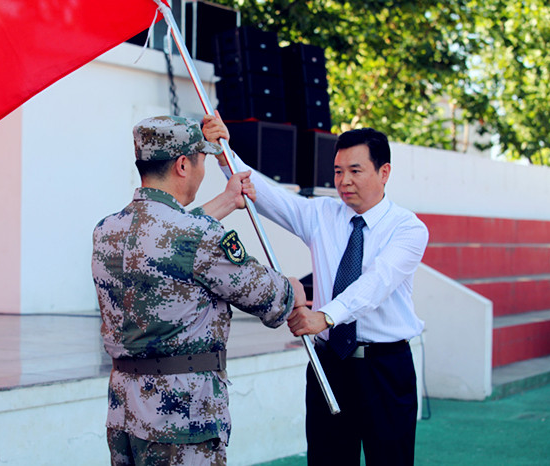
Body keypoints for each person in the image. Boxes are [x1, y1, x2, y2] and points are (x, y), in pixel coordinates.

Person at [203, 112, 429, 466]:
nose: (344, 181)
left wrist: (325, 316)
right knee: (327, 459)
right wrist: (223, 153)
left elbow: (377, 282)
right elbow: (266, 193)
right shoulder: (322, 214)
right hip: (330, 364)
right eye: (338, 171)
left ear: (384, 172)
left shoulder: (408, 229)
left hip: (385, 368)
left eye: (355, 171)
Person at [91, 115, 307, 465]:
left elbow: (169, 238)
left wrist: (226, 201)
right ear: (182, 165)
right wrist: (294, 289)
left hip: (124, 412)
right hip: (180, 419)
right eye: (201, 160)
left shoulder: (106, 230)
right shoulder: (199, 237)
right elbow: (270, 298)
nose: (202, 170)